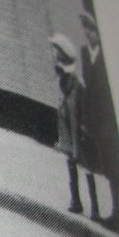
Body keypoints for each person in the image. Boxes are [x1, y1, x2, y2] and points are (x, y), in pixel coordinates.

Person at [75, 11, 119, 237]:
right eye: (86, 31)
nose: (89, 35)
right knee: (109, 169)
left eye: (92, 31)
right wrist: (87, 121)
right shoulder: (87, 54)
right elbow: (88, 90)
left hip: (113, 122)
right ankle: (116, 216)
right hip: (99, 122)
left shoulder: (109, 56)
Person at [50, 33, 86, 215]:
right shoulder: (61, 74)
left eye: (56, 51)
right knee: (70, 163)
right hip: (67, 127)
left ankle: (91, 205)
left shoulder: (72, 78)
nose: (54, 55)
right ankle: (76, 200)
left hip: (76, 127)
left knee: (85, 166)